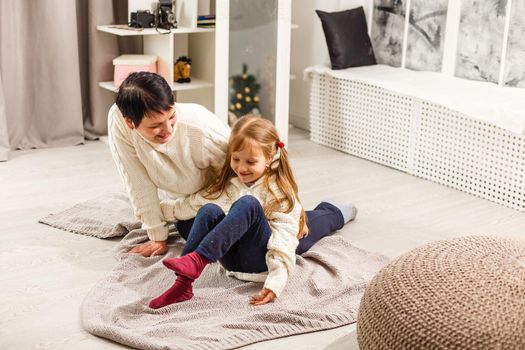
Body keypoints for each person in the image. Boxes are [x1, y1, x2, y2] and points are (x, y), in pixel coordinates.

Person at [109, 72, 356, 259]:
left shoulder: (200, 130)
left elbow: (256, 168)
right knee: (193, 233)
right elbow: (136, 180)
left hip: (239, 193)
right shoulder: (120, 121)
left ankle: (331, 213)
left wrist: (296, 211)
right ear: (130, 122)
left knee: (278, 243)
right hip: (201, 200)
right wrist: (156, 235)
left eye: (172, 117)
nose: (168, 129)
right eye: (155, 127)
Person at [149, 116, 355, 309]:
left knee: (301, 223)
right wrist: (154, 214)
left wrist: (275, 282)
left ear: (270, 157)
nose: (241, 168)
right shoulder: (230, 184)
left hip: (258, 261)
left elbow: (284, 238)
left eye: (250, 162)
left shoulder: (280, 192)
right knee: (208, 209)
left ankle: (339, 210)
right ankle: (183, 285)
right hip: (231, 261)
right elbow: (191, 204)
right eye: (236, 159)